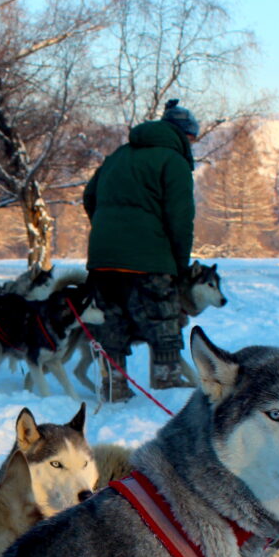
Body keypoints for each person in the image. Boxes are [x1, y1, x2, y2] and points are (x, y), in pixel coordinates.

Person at [82, 98, 199, 402]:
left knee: (110, 324)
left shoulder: (118, 156)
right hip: (151, 261)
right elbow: (180, 218)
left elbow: (89, 196)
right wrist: (179, 265)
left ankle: (113, 387)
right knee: (163, 322)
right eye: (192, 138)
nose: (192, 145)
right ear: (181, 135)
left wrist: (109, 230)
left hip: (103, 259)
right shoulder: (173, 162)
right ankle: (167, 384)